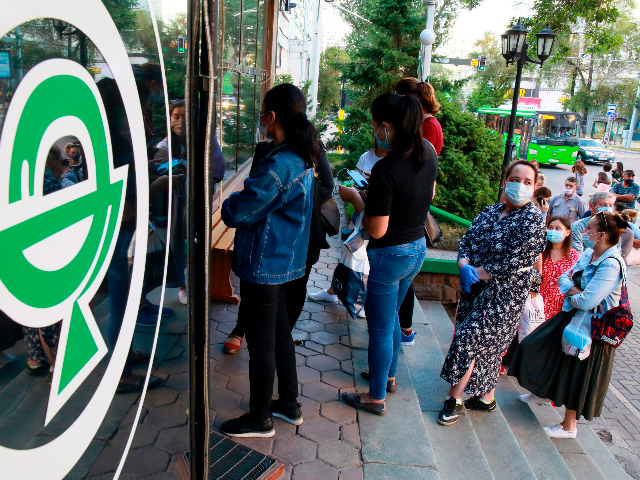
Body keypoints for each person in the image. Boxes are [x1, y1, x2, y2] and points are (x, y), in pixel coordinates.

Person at [219, 84, 318, 437]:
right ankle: (289, 405)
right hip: (281, 261)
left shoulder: (282, 163)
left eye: (262, 112)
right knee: (278, 335)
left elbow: (240, 211)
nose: (260, 118)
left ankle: (260, 417)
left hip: (265, 264)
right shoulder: (301, 155)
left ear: (271, 117)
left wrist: (228, 202)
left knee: (262, 343)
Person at [337, 93, 437, 415]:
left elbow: (377, 229)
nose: (374, 130)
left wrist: (357, 199)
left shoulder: (386, 168)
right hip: (416, 248)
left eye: (375, 124)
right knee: (391, 315)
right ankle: (389, 376)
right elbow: (424, 195)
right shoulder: (427, 153)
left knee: (379, 327)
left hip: (389, 254)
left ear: (386, 126)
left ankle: (375, 396)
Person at [437, 160, 546, 426]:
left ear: (533, 189)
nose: (519, 185)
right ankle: (487, 398)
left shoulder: (532, 220)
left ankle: (454, 399)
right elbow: (467, 241)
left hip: (504, 297)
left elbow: (513, 261)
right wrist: (464, 266)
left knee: (468, 339)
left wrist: (478, 272)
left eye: (527, 182)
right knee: (488, 349)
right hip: (474, 290)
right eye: (515, 178)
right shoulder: (491, 211)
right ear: (505, 180)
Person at [510, 211, 628, 438]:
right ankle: (541, 389)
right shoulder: (590, 253)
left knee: (576, 373)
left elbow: (588, 301)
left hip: (591, 328)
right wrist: (574, 291)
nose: (585, 231)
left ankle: (568, 426)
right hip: (572, 316)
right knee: (537, 347)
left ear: (601, 235)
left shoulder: (611, 264)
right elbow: (565, 278)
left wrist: (572, 292)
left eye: (590, 229)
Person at [224, 137, 335, 353]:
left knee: (296, 288)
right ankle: (240, 328)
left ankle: (284, 335)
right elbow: (255, 187)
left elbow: (328, 187)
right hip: (266, 231)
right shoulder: (264, 149)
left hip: (304, 229)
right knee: (252, 284)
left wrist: (290, 200)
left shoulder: (313, 147)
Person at [306, 142, 387, 314]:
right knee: (348, 251)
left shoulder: (393, 162)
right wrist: (357, 190)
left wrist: (360, 195)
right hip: (360, 214)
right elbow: (359, 185)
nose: (376, 132)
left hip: (374, 216)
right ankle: (334, 290)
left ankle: (361, 301)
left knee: (365, 260)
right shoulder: (367, 156)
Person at [393, 77, 444, 346]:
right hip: (410, 209)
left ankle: (405, 329)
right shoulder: (425, 124)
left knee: (403, 280)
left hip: (411, 212)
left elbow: (423, 173)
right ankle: (402, 328)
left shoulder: (428, 127)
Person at [539, 216, 580, 320]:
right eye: (550, 228)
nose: (553, 231)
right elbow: (534, 273)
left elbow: (578, 279)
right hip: (539, 301)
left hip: (561, 304)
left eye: (558, 228)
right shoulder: (540, 252)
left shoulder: (574, 256)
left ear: (567, 232)